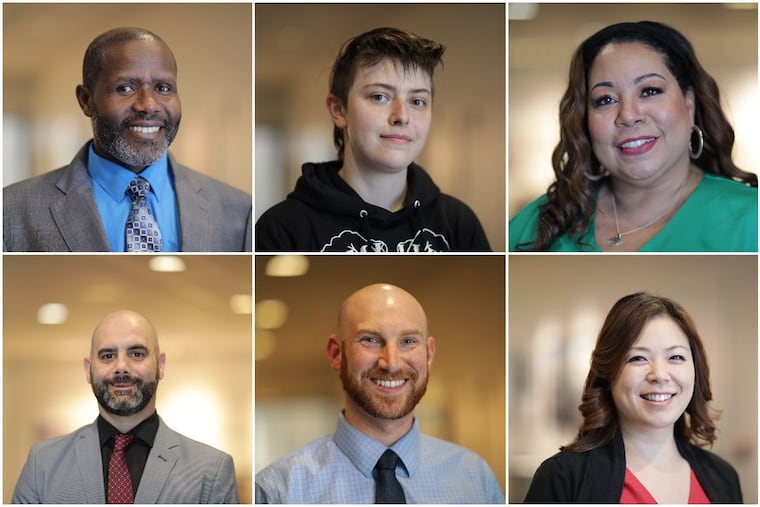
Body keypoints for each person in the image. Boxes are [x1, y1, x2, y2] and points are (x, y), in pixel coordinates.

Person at [509, 21, 757, 252]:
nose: (628, 115)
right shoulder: (533, 225)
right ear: (585, 120)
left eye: (649, 91)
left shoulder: (750, 219)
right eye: (605, 99)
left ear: (689, 103)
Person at [4, 27, 251, 252]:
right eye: (125, 88)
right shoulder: (11, 211)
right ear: (86, 100)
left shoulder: (239, 211)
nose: (148, 105)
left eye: (163, 88)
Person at [255, 283, 504, 503]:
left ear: (428, 355)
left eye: (408, 341)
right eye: (371, 340)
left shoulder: (476, 478)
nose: (392, 363)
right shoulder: (278, 491)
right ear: (336, 354)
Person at [255, 27, 491, 252]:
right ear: (339, 109)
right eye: (379, 96)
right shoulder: (282, 229)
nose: (402, 116)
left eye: (417, 101)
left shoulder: (458, 223)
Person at [524, 292, 742, 503]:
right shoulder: (563, 476)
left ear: (696, 371)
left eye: (675, 356)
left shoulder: (724, 478)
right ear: (608, 373)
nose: (659, 375)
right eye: (638, 358)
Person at [12, 310, 240, 503]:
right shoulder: (42, 463)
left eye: (137, 354)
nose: (121, 367)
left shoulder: (212, 470)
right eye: (108, 355)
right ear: (88, 370)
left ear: (160, 366)